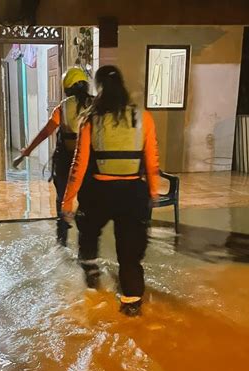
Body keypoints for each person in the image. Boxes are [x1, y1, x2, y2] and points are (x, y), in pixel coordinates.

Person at [62, 65, 160, 317]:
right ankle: (132, 303)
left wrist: (68, 199)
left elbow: (78, 165)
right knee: (129, 252)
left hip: (98, 193)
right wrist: (153, 192)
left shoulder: (90, 118)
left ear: (99, 88)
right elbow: (152, 160)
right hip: (133, 194)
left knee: (88, 237)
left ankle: (92, 280)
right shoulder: (143, 118)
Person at [13, 66, 93, 246]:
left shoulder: (63, 107)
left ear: (67, 87)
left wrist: (27, 151)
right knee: (87, 201)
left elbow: (45, 132)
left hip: (66, 162)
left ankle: (62, 240)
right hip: (89, 162)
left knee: (63, 200)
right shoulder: (96, 105)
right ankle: (86, 245)